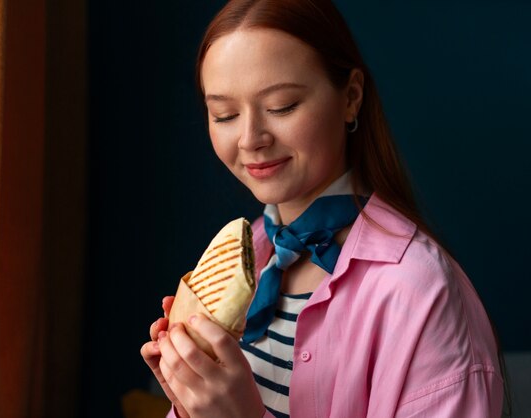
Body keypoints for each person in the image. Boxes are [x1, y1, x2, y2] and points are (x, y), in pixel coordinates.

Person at [141, 1, 508, 417]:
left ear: (350, 97)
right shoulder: (246, 256)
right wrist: (189, 398)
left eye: (281, 106)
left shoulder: (420, 293)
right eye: (224, 114)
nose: (250, 139)